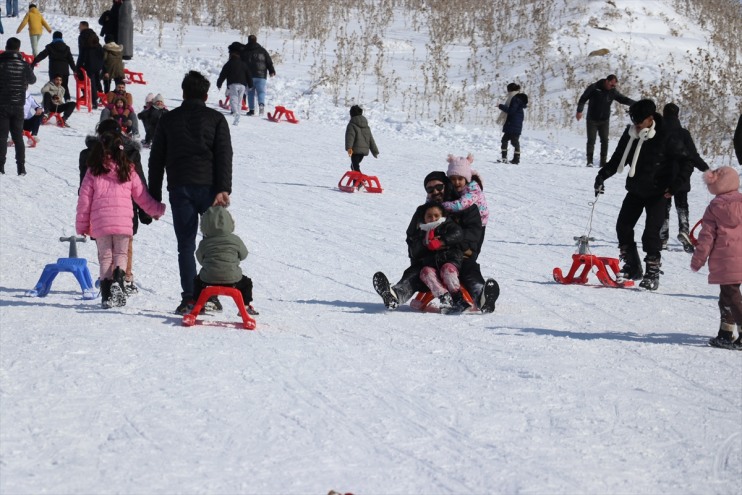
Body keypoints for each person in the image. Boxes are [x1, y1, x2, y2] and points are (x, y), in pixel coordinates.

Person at [148, 70, 233, 314]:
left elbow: (157, 160)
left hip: (180, 188)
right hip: (210, 191)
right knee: (213, 243)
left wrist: (154, 196)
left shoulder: (168, 119)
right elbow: (224, 155)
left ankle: (189, 297)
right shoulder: (216, 119)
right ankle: (210, 295)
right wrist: (223, 189)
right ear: (206, 95)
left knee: (185, 244)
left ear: (183, 93)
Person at [593, 99, 694, 291]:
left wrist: (675, 186)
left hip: (659, 192)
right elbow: (617, 158)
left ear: (650, 119)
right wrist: (602, 175)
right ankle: (633, 266)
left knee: (651, 234)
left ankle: (652, 272)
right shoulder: (631, 133)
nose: (637, 127)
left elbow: (687, 162)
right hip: (637, 188)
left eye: (640, 123)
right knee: (623, 226)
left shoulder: (667, 135)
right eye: (634, 123)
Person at [373, 171, 499, 313]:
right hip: (429, 259)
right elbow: (411, 237)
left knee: (469, 271)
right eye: (430, 189)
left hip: (460, 256)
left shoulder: (466, 207)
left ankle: (482, 297)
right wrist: (424, 246)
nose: (435, 192)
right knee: (414, 272)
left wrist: (444, 242)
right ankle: (395, 295)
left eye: (439, 187)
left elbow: (473, 235)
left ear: (447, 186)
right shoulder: (423, 212)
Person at [76, 131, 166, 308]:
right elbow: (142, 196)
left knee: (105, 257)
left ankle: (106, 295)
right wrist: (156, 210)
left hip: (100, 223)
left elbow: (84, 200)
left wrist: (82, 225)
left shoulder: (92, 172)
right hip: (124, 222)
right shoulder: (128, 170)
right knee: (121, 254)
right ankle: (119, 279)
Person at [690, 166, 742, 350]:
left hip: (727, 258)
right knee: (727, 295)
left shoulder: (715, 206)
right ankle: (725, 332)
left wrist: (698, 260)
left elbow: (707, 237)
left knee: (732, 295)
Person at [659, 103, 710, 253]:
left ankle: (662, 236)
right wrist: (706, 169)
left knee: (663, 206)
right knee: (682, 205)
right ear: (678, 115)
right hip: (681, 175)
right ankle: (684, 230)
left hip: (663, 176)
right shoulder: (684, 134)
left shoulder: (658, 132)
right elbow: (693, 155)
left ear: (663, 114)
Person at [194, 206, 255, 313]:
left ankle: (197, 303)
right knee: (247, 283)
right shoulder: (235, 240)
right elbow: (244, 255)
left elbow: (200, 259)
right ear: (230, 222)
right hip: (233, 278)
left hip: (208, 279)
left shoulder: (204, 243)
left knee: (196, 281)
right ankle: (245, 306)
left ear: (205, 225)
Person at [412, 202, 470, 313]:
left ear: (442, 216)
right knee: (426, 272)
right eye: (429, 216)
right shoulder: (421, 231)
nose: (433, 218)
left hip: (449, 260)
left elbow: (458, 234)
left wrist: (442, 241)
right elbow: (415, 250)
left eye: (436, 216)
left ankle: (457, 297)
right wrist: (424, 243)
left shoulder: (447, 226)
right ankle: (444, 297)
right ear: (424, 218)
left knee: (447, 270)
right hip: (431, 264)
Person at [576, 74, 635, 167]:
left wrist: (636, 104)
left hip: (604, 120)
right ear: (607, 81)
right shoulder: (594, 87)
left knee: (604, 140)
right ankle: (589, 161)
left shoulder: (612, 91)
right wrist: (579, 111)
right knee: (591, 140)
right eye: (611, 85)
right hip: (592, 119)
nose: (613, 87)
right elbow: (583, 98)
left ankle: (603, 163)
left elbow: (623, 99)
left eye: (614, 86)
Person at [0, 37, 36, 176]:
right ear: (18, 48)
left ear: (6, 47)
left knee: (2, 137)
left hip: (2, 104)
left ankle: (1, 167)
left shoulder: (1, 63)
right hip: (18, 105)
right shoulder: (24, 64)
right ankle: (21, 167)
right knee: (18, 137)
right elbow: (33, 80)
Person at [441, 153, 489, 245]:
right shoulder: (455, 188)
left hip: (479, 223)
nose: (456, 182)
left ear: (466, 179)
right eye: (453, 179)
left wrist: (441, 206)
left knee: (473, 246)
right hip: (466, 220)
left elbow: (460, 205)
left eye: (460, 179)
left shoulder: (473, 188)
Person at [32, 31, 76, 101]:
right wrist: (75, 69)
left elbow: (42, 55)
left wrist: (34, 62)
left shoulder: (50, 47)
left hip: (54, 70)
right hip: (64, 71)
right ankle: (67, 99)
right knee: (64, 86)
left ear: (53, 38)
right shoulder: (66, 48)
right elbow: (71, 60)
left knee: (53, 87)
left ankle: (55, 103)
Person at [217, 43, 253, 126]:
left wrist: (219, 83)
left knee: (233, 98)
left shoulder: (228, 64)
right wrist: (250, 85)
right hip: (243, 85)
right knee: (240, 100)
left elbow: (223, 74)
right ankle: (238, 112)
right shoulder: (244, 64)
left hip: (233, 83)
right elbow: (248, 75)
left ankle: (235, 112)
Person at [240, 35, 275, 116]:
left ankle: (251, 110)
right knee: (261, 91)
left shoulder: (244, 51)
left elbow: (240, 63)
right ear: (256, 40)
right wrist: (271, 70)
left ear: (248, 40)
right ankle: (261, 105)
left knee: (250, 92)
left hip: (249, 76)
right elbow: (269, 61)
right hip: (261, 75)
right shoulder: (263, 50)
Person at [497, 83, 528, 164]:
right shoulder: (516, 98)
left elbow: (511, 111)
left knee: (513, 141)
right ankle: (506, 158)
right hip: (514, 123)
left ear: (510, 90)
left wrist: (501, 106)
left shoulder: (514, 99)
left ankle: (515, 159)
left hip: (512, 123)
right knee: (506, 140)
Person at [344, 105, 379, 173]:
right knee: (354, 166)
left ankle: (360, 181)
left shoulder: (352, 125)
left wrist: (349, 148)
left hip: (355, 151)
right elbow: (371, 139)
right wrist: (375, 151)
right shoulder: (366, 126)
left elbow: (350, 137)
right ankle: (356, 182)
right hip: (363, 151)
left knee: (354, 166)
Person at [76, 29, 104, 109]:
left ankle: (93, 100)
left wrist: (77, 68)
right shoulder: (99, 46)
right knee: (96, 81)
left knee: (91, 83)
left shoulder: (86, 48)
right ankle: (99, 94)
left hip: (89, 67)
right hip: (98, 66)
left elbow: (81, 58)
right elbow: (102, 56)